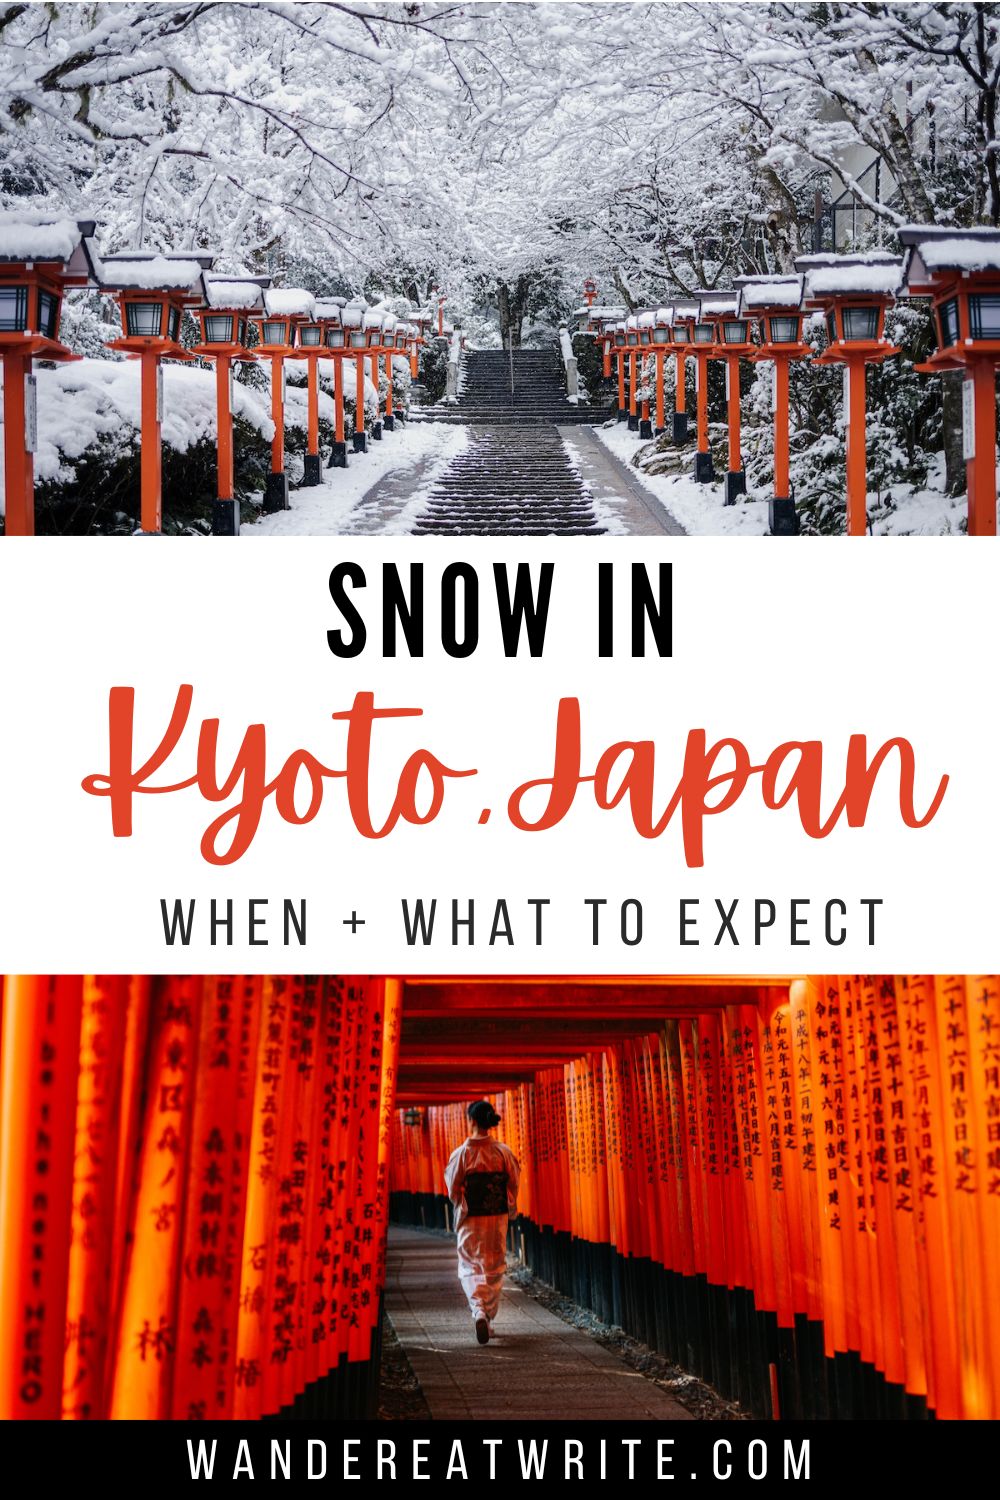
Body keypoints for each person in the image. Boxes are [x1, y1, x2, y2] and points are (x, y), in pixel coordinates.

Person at [444, 1100, 520, 1344]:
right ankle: (486, 1315)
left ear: (472, 1121)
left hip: (471, 1217)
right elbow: (513, 1183)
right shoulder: (503, 1152)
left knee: (470, 1265)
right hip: (495, 1216)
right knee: (494, 1265)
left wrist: (462, 1200)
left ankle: (478, 1311)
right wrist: (505, 1201)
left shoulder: (462, 1154)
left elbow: (453, 1188)